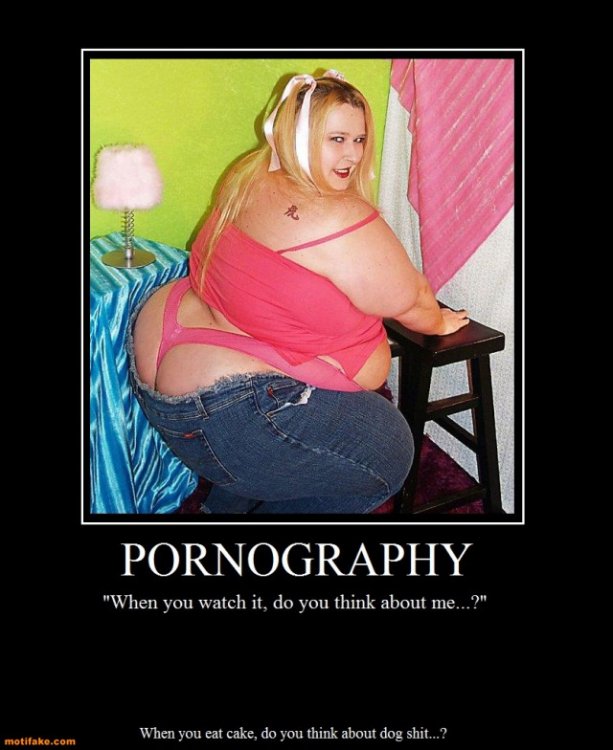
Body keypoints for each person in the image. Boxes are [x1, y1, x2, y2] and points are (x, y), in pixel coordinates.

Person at [127, 70, 469, 514]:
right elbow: (414, 301)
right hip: (223, 412)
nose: (352, 154)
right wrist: (438, 321)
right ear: (298, 135)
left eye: (359, 139)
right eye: (336, 139)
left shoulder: (249, 173)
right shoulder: (337, 217)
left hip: (163, 372)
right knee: (390, 454)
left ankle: (226, 505)